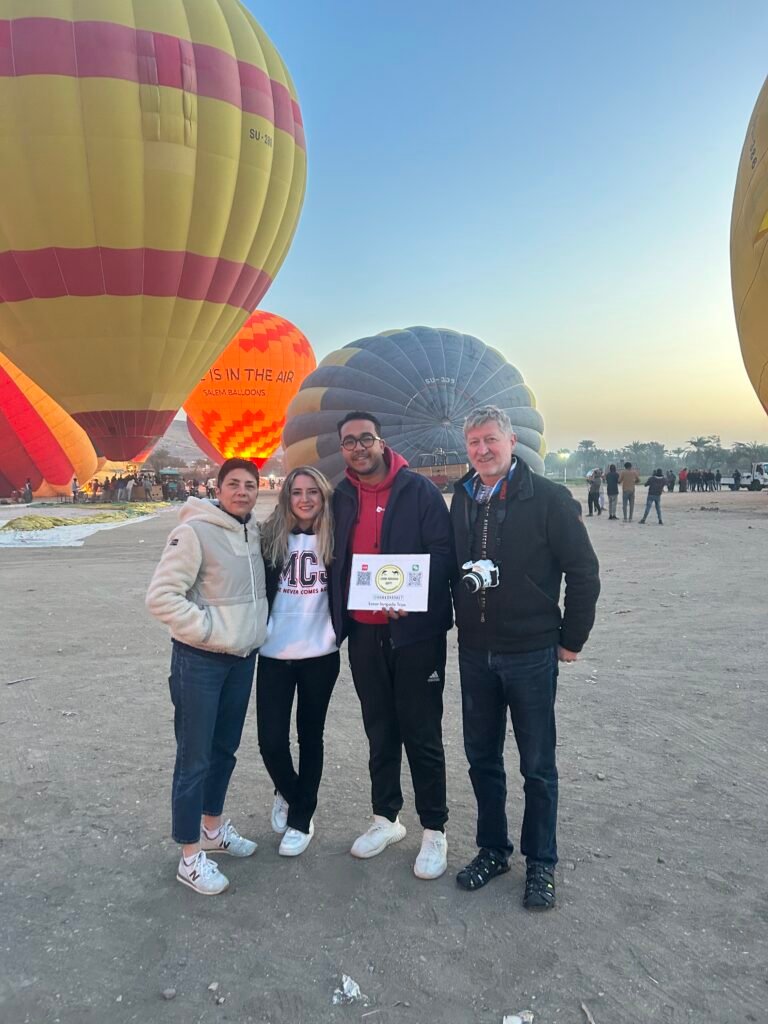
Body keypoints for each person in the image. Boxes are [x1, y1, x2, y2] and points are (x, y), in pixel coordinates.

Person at [450, 406, 600, 909]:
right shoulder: (462, 497)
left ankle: (541, 863)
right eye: (474, 442)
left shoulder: (549, 499)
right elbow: (449, 566)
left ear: (512, 441)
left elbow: (583, 571)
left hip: (530, 652)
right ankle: (493, 850)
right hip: (475, 652)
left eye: (490, 439)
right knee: (482, 759)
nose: (482, 450)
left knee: (536, 765)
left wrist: (572, 638)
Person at [330, 411, 454, 880]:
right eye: (349, 441)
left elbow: (443, 554)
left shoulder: (419, 491)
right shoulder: (340, 496)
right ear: (342, 449)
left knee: (421, 731)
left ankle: (434, 829)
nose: (358, 447)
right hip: (364, 632)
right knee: (379, 728)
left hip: (415, 634)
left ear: (381, 442)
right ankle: (386, 817)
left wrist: (412, 596)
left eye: (366, 438)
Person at [146, 458, 268, 895]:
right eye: (233, 484)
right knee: (194, 757)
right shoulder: (194, 532)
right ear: (218, 489)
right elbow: (161, 597)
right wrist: (210, 629)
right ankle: (190, 855)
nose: (242, 491)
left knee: (224, 751)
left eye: (249, 485)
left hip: (241, 660)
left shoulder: (254, 532)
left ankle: (212, 829)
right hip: (199, 661)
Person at [257, 466, 341, 857]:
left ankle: (301, 819)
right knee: (271, 741)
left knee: (310, 737)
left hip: (319, 654)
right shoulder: (268, 538)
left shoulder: (336, 538)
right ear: (286, 497)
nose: (305, 499)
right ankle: (291, 793)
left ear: (324, 496)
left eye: (313, 492)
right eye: (297, 492)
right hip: (274, 653)